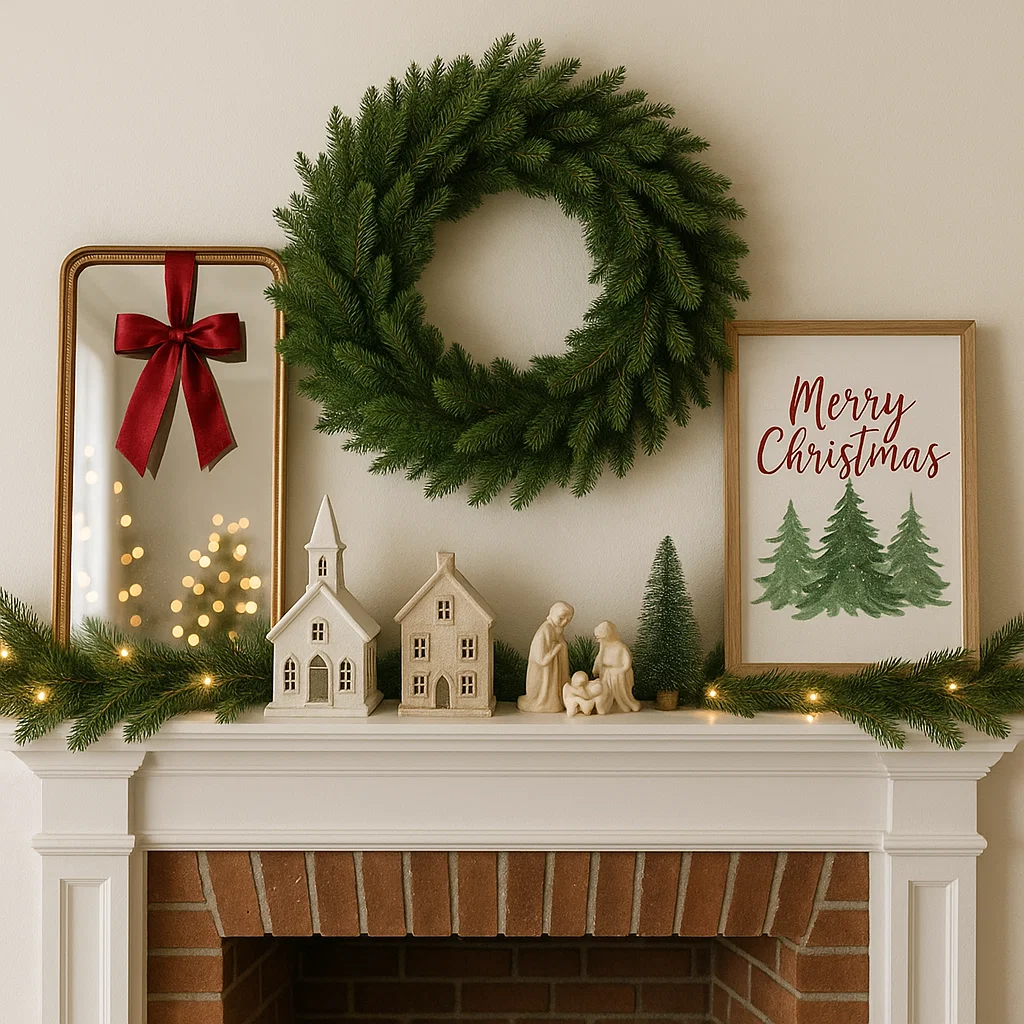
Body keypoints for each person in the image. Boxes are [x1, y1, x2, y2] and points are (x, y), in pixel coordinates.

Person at [518, 602, 574, 713]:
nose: (564, 623)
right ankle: (540, 701)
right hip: (542, 670)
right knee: (541, 690)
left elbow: (561, 643)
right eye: (561, 618)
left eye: (568, 620)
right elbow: (541, 659)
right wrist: (557, 648)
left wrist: (560, 646)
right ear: (552, 614)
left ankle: (552, 701)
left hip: (552, 670)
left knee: (551, 688)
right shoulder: (544, 631)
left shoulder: (557, 629)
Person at [592, 620, 640, 713]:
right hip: (606, 673)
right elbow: (599, 661)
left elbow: (627, 661)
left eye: (601, 638)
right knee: (606, 689)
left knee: (620, 689)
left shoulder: (620, 646)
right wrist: (596, 669)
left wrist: (623, 670)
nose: (600, 641)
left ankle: (625, 702)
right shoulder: (604, 648)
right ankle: (609, 702)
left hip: (619, 674)